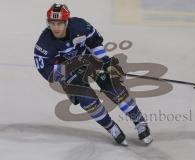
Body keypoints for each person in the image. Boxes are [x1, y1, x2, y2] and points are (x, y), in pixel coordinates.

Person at [34, 3, 153, 146]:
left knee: (116, 90)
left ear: (67, 22)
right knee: (89, 102)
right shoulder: (44, 43)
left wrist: (105, 62)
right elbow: (48, 73)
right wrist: (71, 67)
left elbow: (95, 41)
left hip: (91, 61)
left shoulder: (80, 26)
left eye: (59, 23)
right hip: (69, 74)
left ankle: (140, 122)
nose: (55, 27)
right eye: (52, 23)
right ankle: (111, 127)